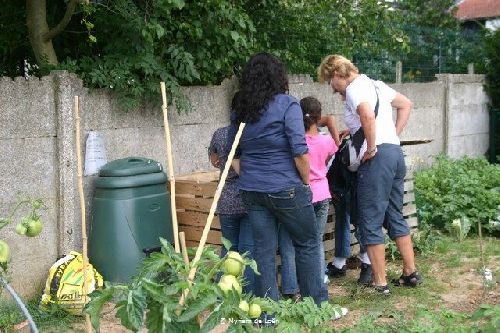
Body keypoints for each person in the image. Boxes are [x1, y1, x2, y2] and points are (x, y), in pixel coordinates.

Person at [227, 53, 329, 306]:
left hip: (253, 191)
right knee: (307, 244)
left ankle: (267, 313)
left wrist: (251, 176)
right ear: (278, 77)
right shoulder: (287, 104)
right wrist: (305, 183)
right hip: (287, 188)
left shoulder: (243, 110)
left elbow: (233, 153)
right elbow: (299, 151)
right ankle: (314, 307)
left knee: (264, 251)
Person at [317, 54, 422, 294]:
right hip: (394, 154)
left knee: (369, 221)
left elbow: (367, 115)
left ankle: (380, 282)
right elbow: (406, 104)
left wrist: (373, 146)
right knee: (394, 214)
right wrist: (389, 136)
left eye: (331, 82)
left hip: (377, 161)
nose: (333, 89)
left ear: (336, 74)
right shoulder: (376, 84)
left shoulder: (354, 88)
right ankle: (410, 272)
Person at [209, 125, 255, 294]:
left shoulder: (219, 133)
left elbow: (214, 159)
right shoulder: (252, 132)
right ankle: (248, 294)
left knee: (228, 249)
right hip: (248, 198)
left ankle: (223, 293)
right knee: (248, 251)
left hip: (226, 198)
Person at [300, 96, 339, 284]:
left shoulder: (298, 142)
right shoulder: (327, 141)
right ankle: (321, 275)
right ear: (319, 116)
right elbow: (332, 152)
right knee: (317, 239)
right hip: (323, 192)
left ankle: (308, 278)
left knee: (304, 240)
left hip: (305, 193)